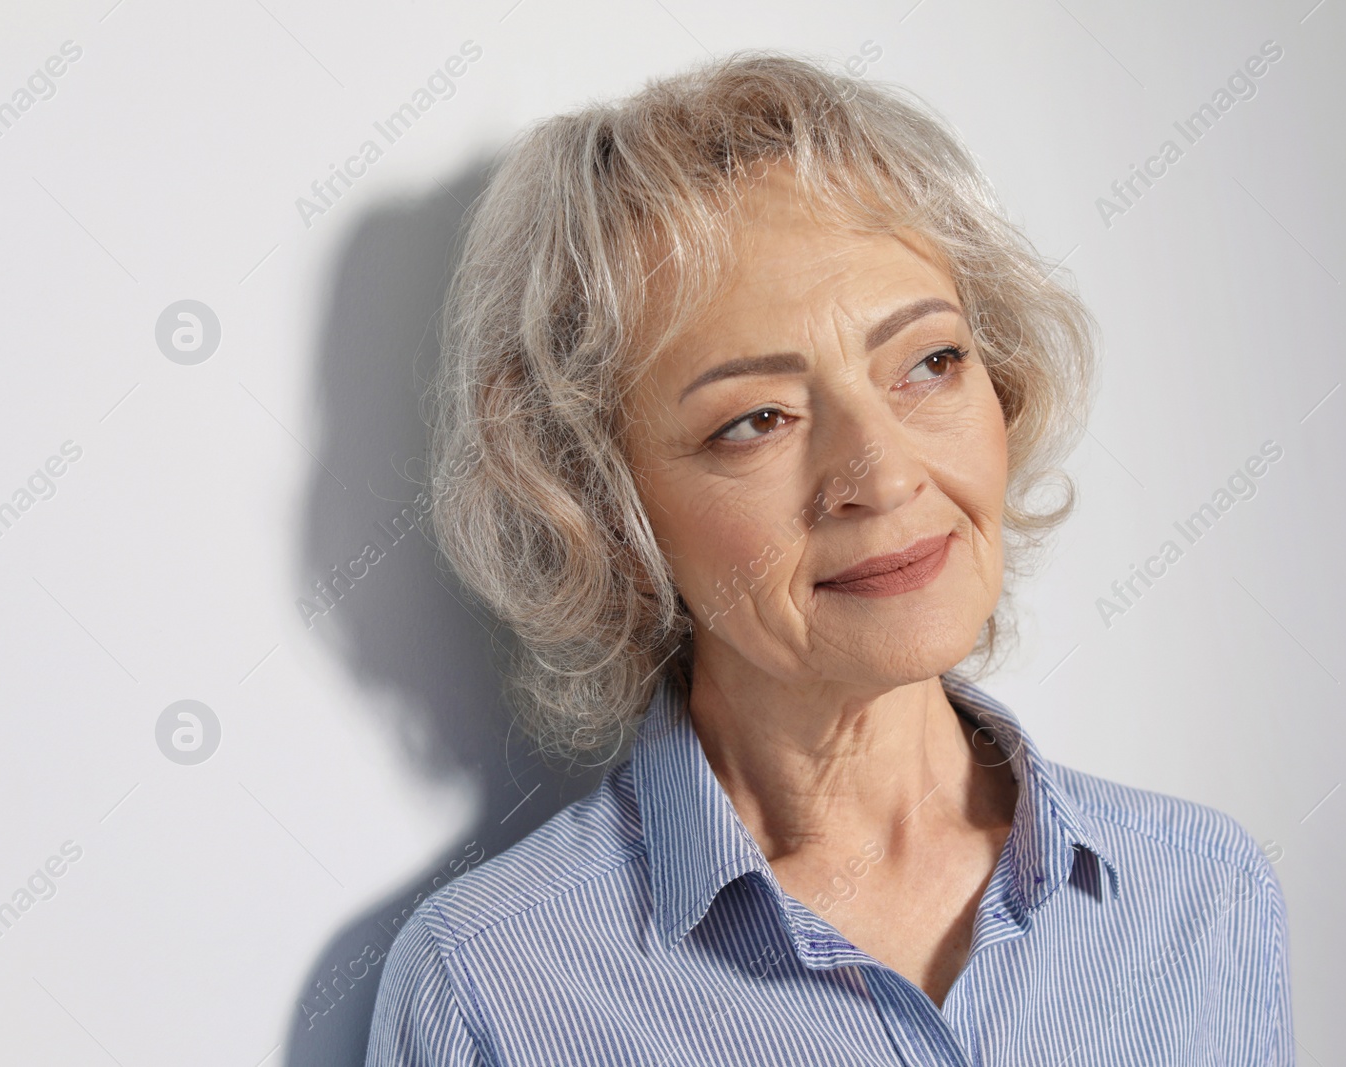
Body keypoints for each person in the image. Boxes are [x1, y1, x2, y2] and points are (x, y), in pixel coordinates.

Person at [367, 51, 1293, 1065]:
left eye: (930, 362)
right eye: (756, 418)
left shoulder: (1201, 893)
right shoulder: (494, 985)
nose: (883, 473)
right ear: (600, 503)